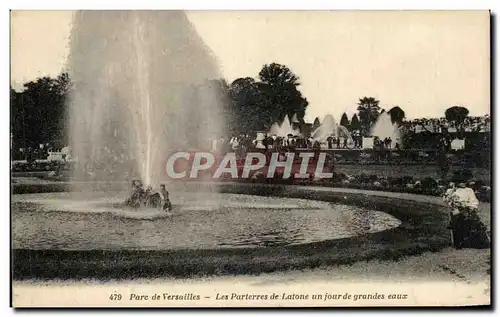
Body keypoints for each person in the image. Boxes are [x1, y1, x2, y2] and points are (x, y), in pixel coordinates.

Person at [443, 182, 489, 249]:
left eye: (464, 182)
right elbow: (446, 200)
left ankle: (478, 240)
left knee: (474, 218)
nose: (462, 183)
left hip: (468, 208)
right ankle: (458, 241)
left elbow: (473, 200)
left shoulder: (469, 190)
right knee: (457, 217)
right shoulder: (451, 191)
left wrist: (471, 207)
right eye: (460, 182)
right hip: (456, 209)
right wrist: (452, 190)